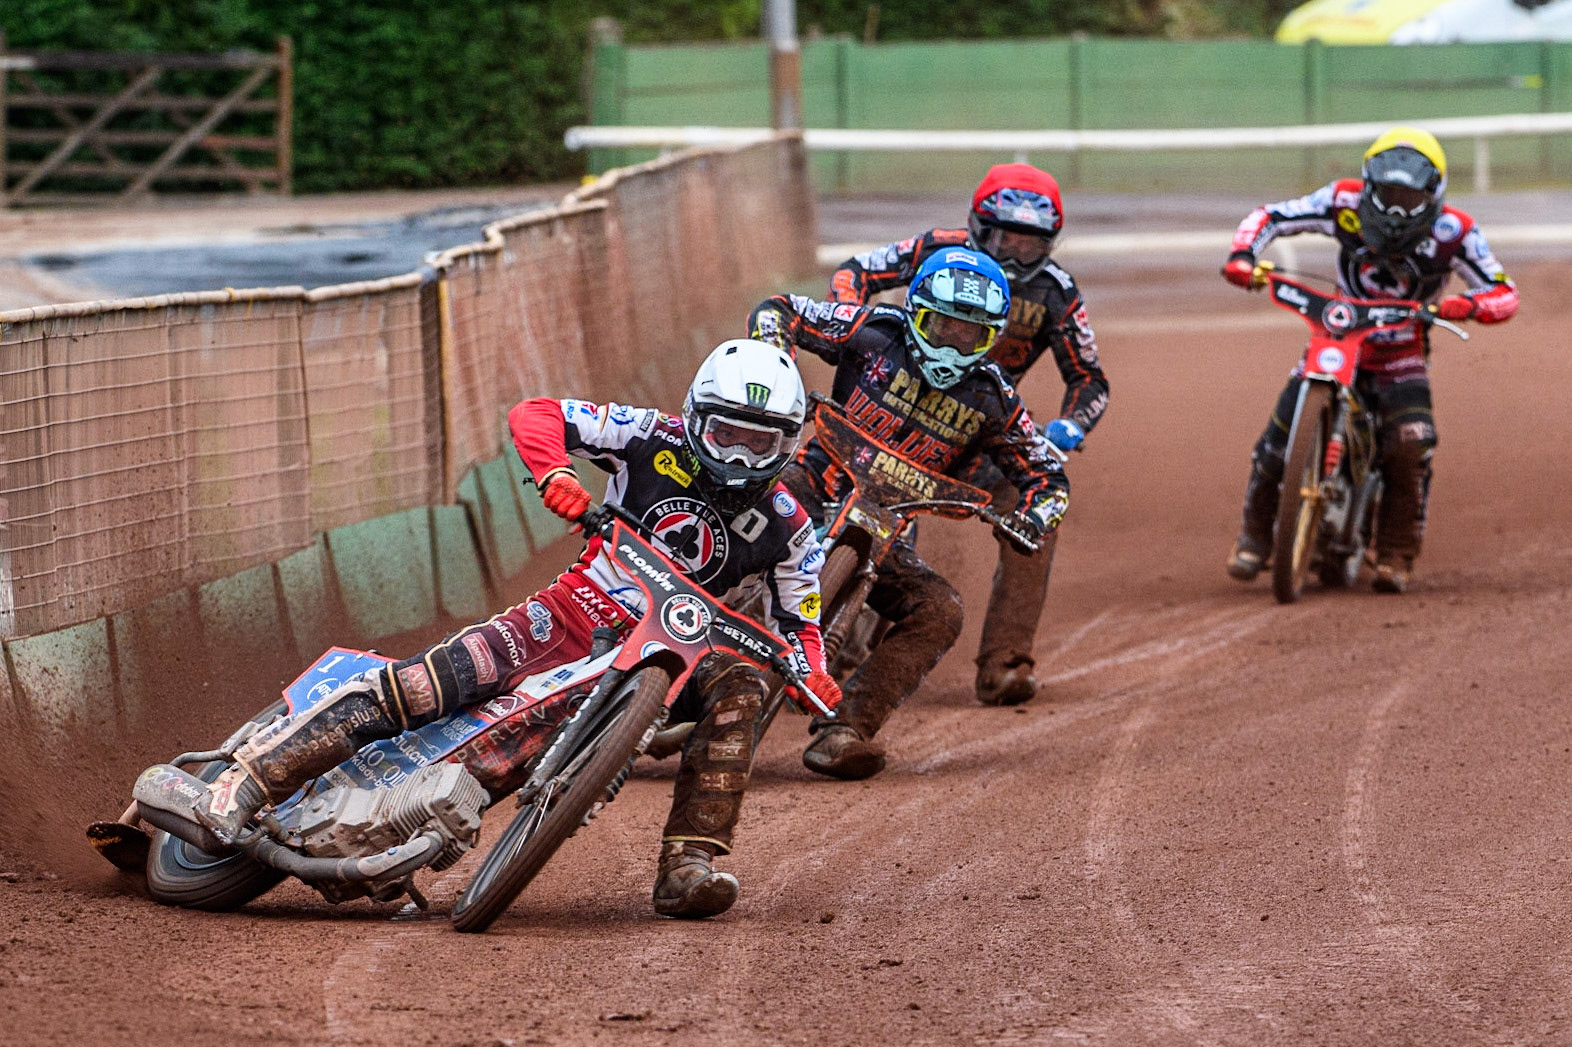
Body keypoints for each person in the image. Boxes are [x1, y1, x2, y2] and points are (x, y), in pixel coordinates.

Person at [186, 340, 842, 919]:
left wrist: (812, 671)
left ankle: (688, 865)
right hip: (570, 612)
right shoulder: (650, 434)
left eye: (760, 441)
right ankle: (245, 779)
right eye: (728, 432)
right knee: (421, 687)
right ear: (697, 418)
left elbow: (801, 618)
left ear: (787, 443)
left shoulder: (791, 526)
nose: (739, 452)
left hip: (679, 662)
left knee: (744, 687)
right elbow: (537, 413)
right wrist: (555, 472)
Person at [749, 246, 1069, 780]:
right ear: (917, 309)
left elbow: (1049, 477)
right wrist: (774, 367)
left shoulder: (993, 397)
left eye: (971, 333)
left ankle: (846, 728)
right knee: (727, 520)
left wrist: (1034, 519)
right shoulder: (874, 330)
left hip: (885, 528)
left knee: (940, 610)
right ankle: (649, 650)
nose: (953, 341)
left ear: (991, 339)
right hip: (809, 484)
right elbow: (778, 308)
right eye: (942, 323)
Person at [827, 162, 1108, 706]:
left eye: (1029, 245)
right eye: (1003, 238)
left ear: (1050, 244)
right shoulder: (935, 249)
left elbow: (1090, 378)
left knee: (1038, 512)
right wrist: (852, 327)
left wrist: (1067, 429)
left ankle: (1005, 663)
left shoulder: (1056, 292)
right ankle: (839, 644)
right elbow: (855, 271)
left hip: (974, 441)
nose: (1012, 255)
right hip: (886, 412)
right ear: (977, 227)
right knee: (846, 509)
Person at [1222, 126, 1518, 593]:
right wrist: (1243, 255)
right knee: (1278, 438)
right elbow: (1270, 216)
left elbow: (1504, 291)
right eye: (1388, 193)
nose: (1397, 208)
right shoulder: (1342, 202)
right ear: (1369, 184)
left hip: (1402, 353)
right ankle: (1254, 539)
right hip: (1336, 339)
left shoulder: (1455, 232)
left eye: (1410, 196)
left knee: (1411, 443)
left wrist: (1470, 305)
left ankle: (1396, 552)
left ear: (1434, 194)